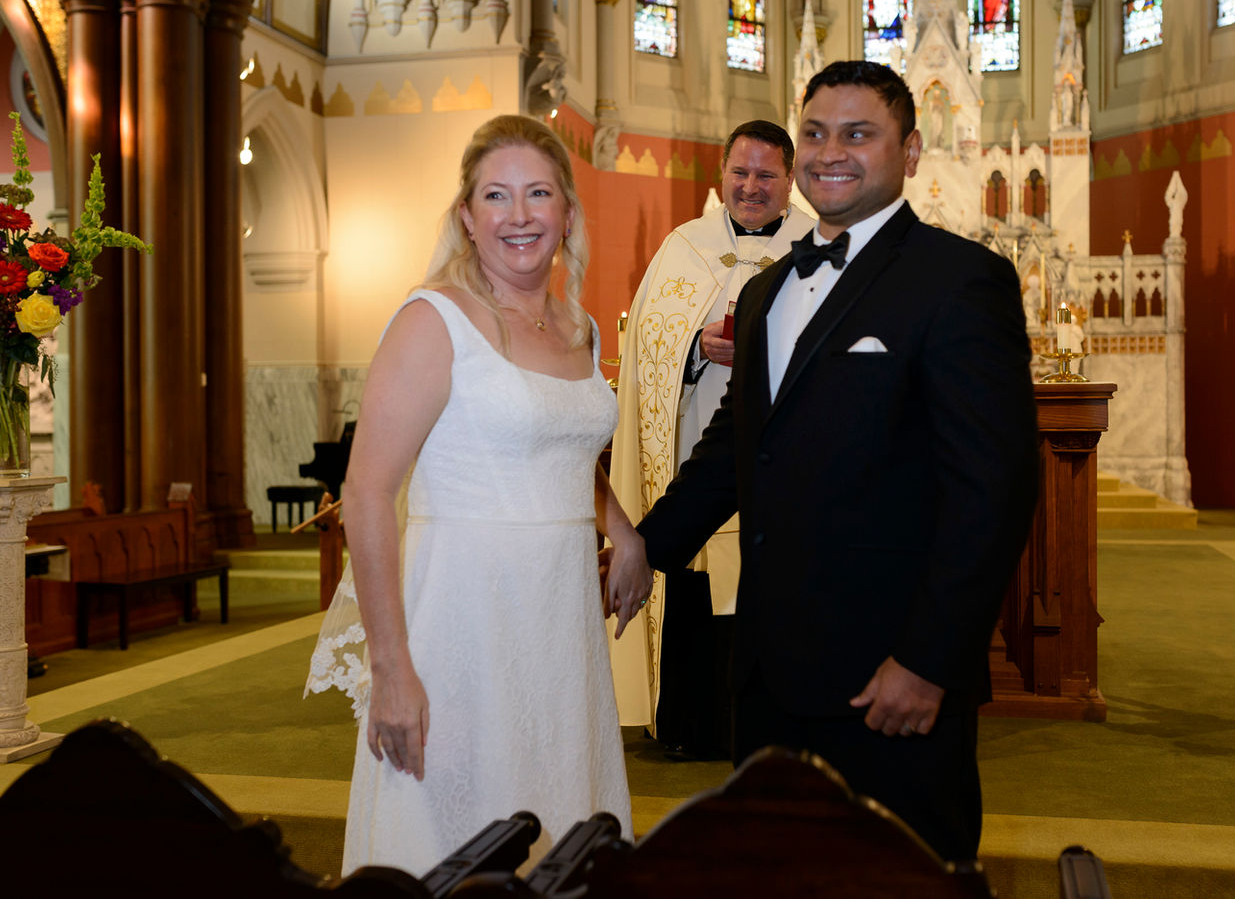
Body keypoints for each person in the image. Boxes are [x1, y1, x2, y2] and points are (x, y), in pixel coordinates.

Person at [632, 61, 1038, 862]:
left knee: (907, 877)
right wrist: (648, 544)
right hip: (768, 673)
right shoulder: (765, 292)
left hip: (890, 676)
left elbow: (994, 490)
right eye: (814, 133)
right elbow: (736, 448)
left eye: (859, 133)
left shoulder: (962, 281)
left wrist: (929, 661)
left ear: (911, 151)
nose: (830, 152)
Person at [308, 114, 651, 877]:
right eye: (496, 196)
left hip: (558, 625)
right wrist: (391, 668)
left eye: (538, 193)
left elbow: (557, 448)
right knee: (457, 825)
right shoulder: (433, 321)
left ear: (567, 209)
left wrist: (624, 531)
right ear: (466, 215)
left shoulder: (578, 328)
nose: (519, 216)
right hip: (463, 619)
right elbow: (366, 493)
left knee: (560, 807)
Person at [610, 120, 813, 758]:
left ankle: (774, 731)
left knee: (773, 589)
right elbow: (647, 345)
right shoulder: (683, 247)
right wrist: (696, 348)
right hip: (698, 448)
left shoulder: (819, 246)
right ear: (721, 177)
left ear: (790, 181)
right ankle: (692, 728)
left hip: (786, 464)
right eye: (741, 173)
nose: (751, 187)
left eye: (766, 176)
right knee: (696, 582)